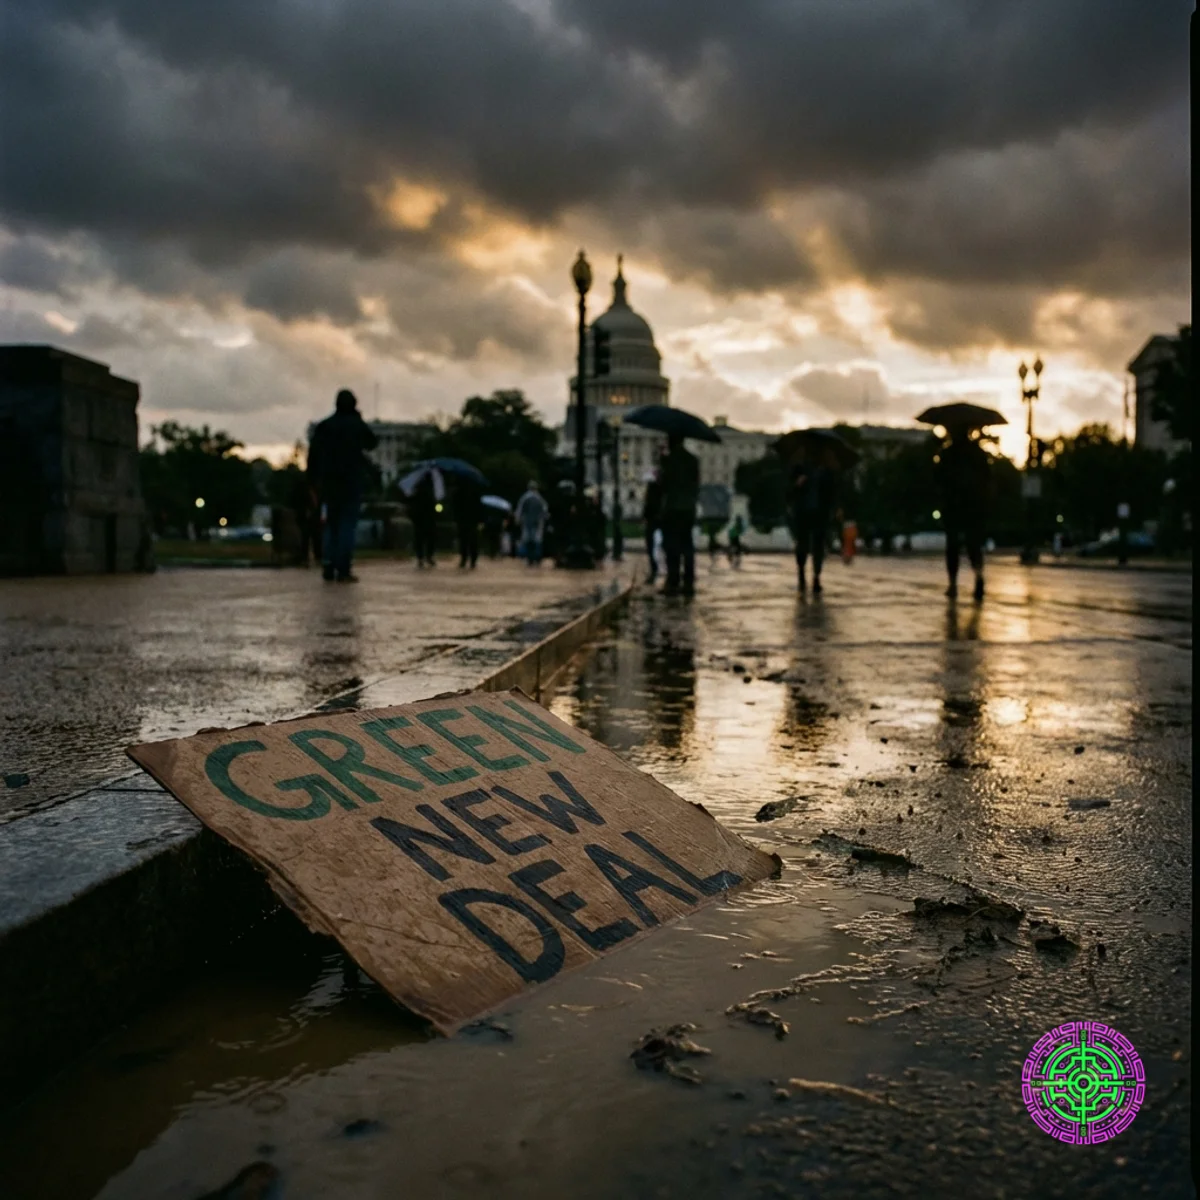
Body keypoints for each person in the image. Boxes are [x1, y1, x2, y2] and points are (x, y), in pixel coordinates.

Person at [306, 389, 378, 582]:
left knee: (331, 524)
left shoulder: (324, 426)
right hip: (351, 480)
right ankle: (343, 568)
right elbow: (372, 443)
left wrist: (312, 480)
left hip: (329, 482)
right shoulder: (356, 425)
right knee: (347, 525)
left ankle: (328, 564)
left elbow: (313, 456)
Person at [936, 426, 990, 601]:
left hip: (953, 506)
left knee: (953, 546)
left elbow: (939, 480)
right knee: (974, 545)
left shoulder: (947, 453)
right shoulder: (978, 453)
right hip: (974, 505)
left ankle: (953, 584)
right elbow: (987, 479)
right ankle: (979, 576)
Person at [787, 452, 835, 595]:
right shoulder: (799, 468)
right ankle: (801, 573)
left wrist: (833, 508)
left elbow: (832, 492)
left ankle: (816, 577)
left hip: (820, 514)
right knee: (802, 544)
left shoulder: (826, 471)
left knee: (818, 547)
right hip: (803, 513)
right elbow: (788, 490)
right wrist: (797, 484)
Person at [659, 432, 700, 595]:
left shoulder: (669, 461)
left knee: (671, 546)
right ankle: (689, 582)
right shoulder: (693, 460)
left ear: (671, 441)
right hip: (688, 508)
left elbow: (664, 486)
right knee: (687, 545)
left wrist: (662, 463)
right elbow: (696, 485)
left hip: (672, 508)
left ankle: (673, 580)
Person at [409, 468, 439, 567]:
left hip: (420, 518)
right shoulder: (430, 490)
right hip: (428, 517)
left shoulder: (417, 489)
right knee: (429, 538)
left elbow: (412, 503)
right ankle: (428, 556)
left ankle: (421, 557)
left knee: (420, 538)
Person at [515, 480, 548, 566]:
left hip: (527, 522)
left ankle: (530, 558)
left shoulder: (525, 497)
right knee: (536, 540)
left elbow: (520, 510)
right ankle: (536, 558)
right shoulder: (539, 498)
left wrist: (517, 519)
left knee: (528, 539)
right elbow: (545, 511)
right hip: (537, 523)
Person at [455, 477, 482, 569]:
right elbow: (479, 507)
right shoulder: (475, 492)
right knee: (472, 541)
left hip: (463, 520)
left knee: (464, 540)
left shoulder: (458, 492)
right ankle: (472, 560)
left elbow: (455, 506)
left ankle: (464, 558)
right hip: (472, 520)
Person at [641, 469, 663, 583]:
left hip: (654, 520)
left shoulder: (652, 488)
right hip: (660, 519)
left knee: (651, 545)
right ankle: (656, 568)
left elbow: (647, 503)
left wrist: (645, 517)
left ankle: (654, 569)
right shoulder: (664, 488)